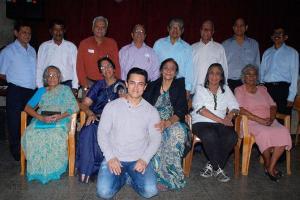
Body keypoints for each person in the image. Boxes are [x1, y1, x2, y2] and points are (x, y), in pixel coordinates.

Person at [96, 67, 161, 199]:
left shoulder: (151, 111)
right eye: (132, 83)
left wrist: (145, 159)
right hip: (115, 158)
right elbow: (102, 133)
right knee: (104, 193)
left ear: (145, 87)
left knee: (151, 191)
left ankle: (130, 178)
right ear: (126, 84)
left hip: (138, 159)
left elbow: (155, 138)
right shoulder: (112, 107)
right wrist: (110, 157)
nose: (136, 88)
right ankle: (124, 177)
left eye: (140, 84)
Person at [21, 66, 79, 184]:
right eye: (49, 75)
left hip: (61, 119)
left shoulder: (65, 90)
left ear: (59, 77)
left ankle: (53, 169)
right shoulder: (41, 91)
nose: (52, 78)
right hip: (42, 118)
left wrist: (60, 116)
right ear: (45, 78)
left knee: (55, 135)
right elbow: (27, 107)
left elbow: (74, 107)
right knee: (31, 134)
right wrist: (41, 117)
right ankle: (38, 169)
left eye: (55, 75)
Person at [235, 64, 292, 182]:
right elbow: (240, 109)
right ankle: (268, 163)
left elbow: (273, 105)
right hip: (250, 121)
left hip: (268, 120)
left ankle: (270, 167)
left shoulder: (262, 89)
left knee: (283, 131)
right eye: (248, 74)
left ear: (257, 77)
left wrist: (271, 119)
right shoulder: (239, 90)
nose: (251, 76)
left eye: (254, 74)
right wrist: (258, 119)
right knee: (265, 133)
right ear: (243, 77)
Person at [76, 56, 125, 183]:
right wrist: (90, 113)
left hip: (115, 121)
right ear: (100, 71)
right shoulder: (98, 85)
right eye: (103, 67)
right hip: (97, 118)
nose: (106, 69)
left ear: (114, 69)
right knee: (88, 130)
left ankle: (100, 169)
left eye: (109, 66)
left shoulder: (121, 84)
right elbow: (83, 104)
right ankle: (86, 171)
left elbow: (125, 105)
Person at [143, 58, 188, 190]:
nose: (169, 70)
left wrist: (168, 122)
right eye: (166, 68)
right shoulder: (152, 85)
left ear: (175, 72)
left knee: (175, 134)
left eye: (172, 68)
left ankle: (170, 177)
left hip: (173, 120)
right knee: (154, 134)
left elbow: (182, 109)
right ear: (161, 70)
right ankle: (153, 175)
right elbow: (144, 105)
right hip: (153, 120)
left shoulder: (179, 85)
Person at [191, 63, 239, 182]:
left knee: (232, 136)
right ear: (207, 75)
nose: (214, 76)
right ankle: (219, 168)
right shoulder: (200, 88)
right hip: (201, 122)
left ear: (222, 77)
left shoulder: (226, 89)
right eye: (211, 73)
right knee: (209, 135)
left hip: (221, 123)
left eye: (218, 73)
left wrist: (230, 115)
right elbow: (201, 110)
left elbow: (235, 107)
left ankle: (212, 165)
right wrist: (222, 120)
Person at [0, 21, 36, 161]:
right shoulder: (8, 51)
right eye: (23, 32)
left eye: (29, 33)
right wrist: (15, 79)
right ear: (16, 33)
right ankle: (17, 153)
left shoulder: (32, 50)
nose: (27, 35)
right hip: (16, 91)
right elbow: (1, 73)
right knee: (14, 122)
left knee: (30, 122)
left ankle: (29, 150)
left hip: (31, 92)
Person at [260, 25, 299, 115]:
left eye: (280, 33)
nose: (277, 35)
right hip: (268, 89)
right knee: (267, 116)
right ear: (271, 36)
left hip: (283, 90)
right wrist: (261, 88)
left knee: (283, 118)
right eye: (275, 33)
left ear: (285, 37)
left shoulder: (292, 53)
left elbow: (294, 75)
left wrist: (291, 97)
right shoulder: (267, 52)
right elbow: (262, 72)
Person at [77, 16, 121, 90]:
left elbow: (116, 65)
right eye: (97, 26)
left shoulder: (112, 43)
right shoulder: (84, 44)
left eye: (103, 27)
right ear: (92, 28)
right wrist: (84, 85)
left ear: (106, 30)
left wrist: (116, 84)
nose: (100, 29)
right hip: (89, 84)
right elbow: (79, 66)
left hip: (107, 83)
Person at [36, 19, 78, 94]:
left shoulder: (71, 47)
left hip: (67, 85)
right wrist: (40, 87)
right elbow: (39, 68)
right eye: (55, 29)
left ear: (64, 31)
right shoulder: (44, 46)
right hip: (49, 85)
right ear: (50, 31)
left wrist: (75, 87)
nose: (58, 32)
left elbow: (76, 68)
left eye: (61, 29)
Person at [153, 18, 193, 93]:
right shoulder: (158, 44)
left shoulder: (187, 47)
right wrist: (153, 84)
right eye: (173, 27)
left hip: (179, 84)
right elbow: (153, 65)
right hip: (160, 83)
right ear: (168, 29)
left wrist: (188, 89)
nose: (175, 29)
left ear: (182, 30)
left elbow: (189, 70)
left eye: (178, 27)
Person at [222, 17, 260, 91]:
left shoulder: (254, 44)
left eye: (241, 25)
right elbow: (222, 65)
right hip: (230, 83)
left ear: (246, 27)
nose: (239, 28)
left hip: (249, 82)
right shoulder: (225, 45)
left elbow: (257, 64)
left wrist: (258, 83)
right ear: (233, 28)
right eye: (236, 25)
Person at [191, 20, 228, 93]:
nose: (206, 31)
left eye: (209, 30)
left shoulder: (219, 48)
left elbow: (224, 70)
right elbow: (188, 71)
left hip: (214, 91)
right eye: (204, 29)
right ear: (200, 30)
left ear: (213, 32)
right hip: (195, 90)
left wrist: (224, 88)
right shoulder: (192, 48)